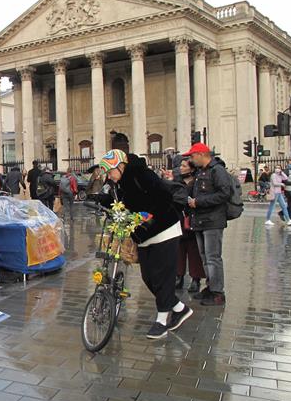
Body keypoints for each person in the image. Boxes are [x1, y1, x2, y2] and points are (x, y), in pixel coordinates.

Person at [99, 149, 192, 339]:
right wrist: (102, 201)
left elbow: (164, 197)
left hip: (164, 229)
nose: (110, 177)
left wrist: (148, 215)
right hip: (143, 235)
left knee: (162, 275)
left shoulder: (141, 175)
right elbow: (122, 204)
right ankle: (179, 308)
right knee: (148, 276)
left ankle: (162, 320)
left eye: (111, 172)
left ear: (120, 166)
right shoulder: (118, 184)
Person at [184, 143, 231, 306]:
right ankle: (211, 287)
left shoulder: (217, 170)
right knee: (205, 257)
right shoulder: (200, 172)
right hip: (200, 220)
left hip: (213, 221)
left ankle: (218, 293)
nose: (191, 159)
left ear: (202, 154)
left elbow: (224, 193)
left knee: (213, 258)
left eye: (192, 156)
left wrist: (199, 201)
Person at [171, 159, 205, 293]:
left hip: (193, 219)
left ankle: (196, 278)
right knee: (178, 249)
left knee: (194, 250)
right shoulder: (176, 181)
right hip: (178, 219)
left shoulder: (197, 182)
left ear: (191, 169)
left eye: (184, 166)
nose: (181, 168)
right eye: (181, 165)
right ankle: (178, 276)